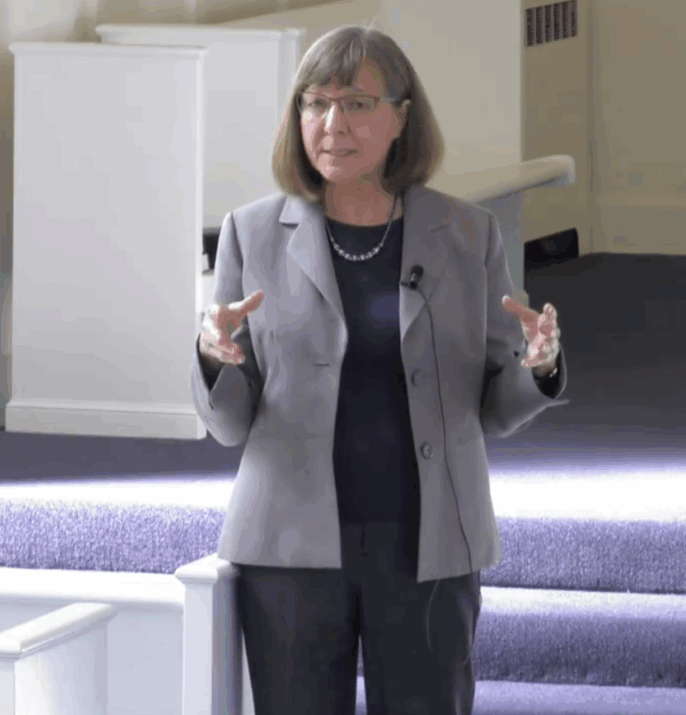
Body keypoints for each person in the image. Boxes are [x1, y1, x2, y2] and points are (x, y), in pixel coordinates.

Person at [188, 23, 569, 715]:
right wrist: (215, 360)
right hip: (289, 548)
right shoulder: (251, 232)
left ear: (401, 117)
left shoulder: (467, 234)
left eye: (357, 104)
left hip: (428, 546)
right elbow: (231, 424)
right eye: (315, 103)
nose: (331, 124)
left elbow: (495, 407)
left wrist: (537, 370)